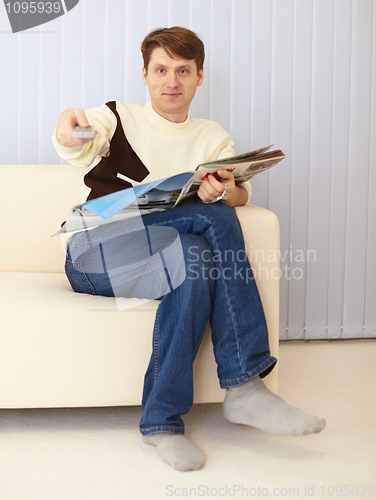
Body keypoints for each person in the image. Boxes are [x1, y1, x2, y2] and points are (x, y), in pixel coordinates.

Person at [53, 27, 326, 472]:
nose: (171, 81)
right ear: (145, 75)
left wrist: (226, 191)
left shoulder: (212, 138)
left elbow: (241, 194)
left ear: (200, 77)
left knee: (195, 260)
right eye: (161, 70)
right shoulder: (117, 116)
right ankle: (245, 385)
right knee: (212, 221)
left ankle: (161, 421)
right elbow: (76, 136)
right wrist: (69, 126)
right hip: (95, 254)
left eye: (183, 71)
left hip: (159, 256)